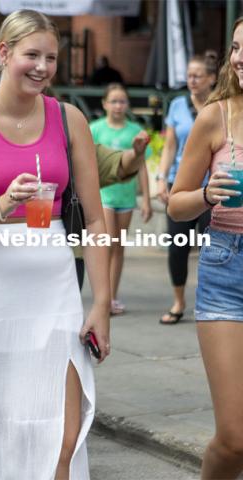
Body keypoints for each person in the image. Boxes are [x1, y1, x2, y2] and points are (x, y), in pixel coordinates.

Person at [0, 10, 110, 480]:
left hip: (53, 297)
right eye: (32, 55)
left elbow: (93, 219)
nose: (43, 67)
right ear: (4, 52)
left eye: (51, 57)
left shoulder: (69, 119)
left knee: (58, 440)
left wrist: (102, 304)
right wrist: (1, 204)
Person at [168, 17, 243, 480]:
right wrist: (207, 195)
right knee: (235, 438)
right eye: (236, 48)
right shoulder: (216, 116)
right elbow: (177, 205)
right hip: (226, 268)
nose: (239, 59)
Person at [156, 53, 217, 324]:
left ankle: (209, 300)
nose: (191, 80)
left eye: (197, 75)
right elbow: (170, 146)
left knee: (210, 248)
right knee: (177, 245)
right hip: (179, 184)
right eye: (189, 75)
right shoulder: (177, 105)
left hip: (212, 187)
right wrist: (161, 177)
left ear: (212, 79)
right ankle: (178, 301)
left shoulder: (220, 106)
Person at [90, 83, 152, 314]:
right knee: (105, 245)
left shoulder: (135, 130)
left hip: (126, 197)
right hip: (103, 194)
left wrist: (146, 199)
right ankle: (102, 297)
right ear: (105, 104)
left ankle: (113, 297)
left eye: (122, 101)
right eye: (113, 101)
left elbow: (142, 166)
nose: (118, 106)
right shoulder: (94, 129)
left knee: (118, 247)